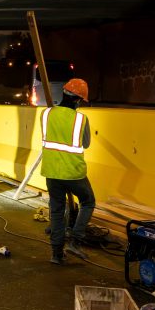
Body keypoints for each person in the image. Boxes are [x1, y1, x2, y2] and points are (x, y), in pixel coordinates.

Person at [40, 78, 96, 265]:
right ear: (78, 100)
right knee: (88, 201)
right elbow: (86, 144)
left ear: (63, 94)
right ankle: (75, 241)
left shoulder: (46, 113)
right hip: (73, 172)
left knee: (56, 209)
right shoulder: (81, 119)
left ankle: (56, 254)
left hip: (51, 171)